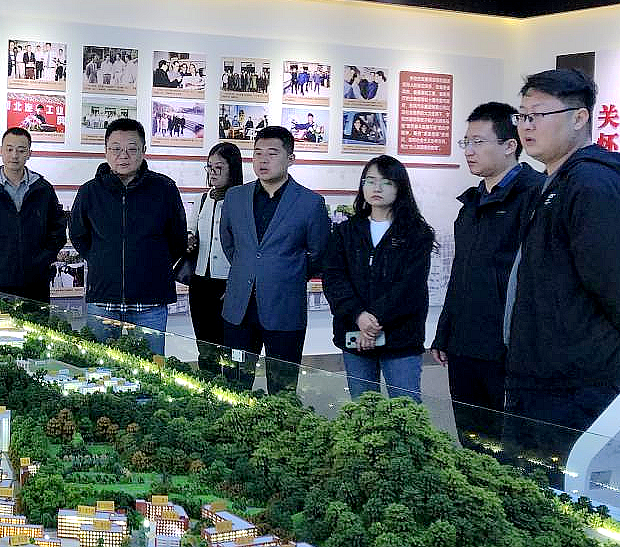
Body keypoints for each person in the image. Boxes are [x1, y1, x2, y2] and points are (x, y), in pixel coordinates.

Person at [503, 68, 620, 480]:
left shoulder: (593, 184)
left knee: (566, 491)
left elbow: (610, 274)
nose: (527, 125)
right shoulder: (554, 182)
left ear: (579, 117)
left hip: (577, 379)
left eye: (538, 114)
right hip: (545, 371)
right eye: (522, 115)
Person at [430, 102, 544, 447]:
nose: (469, 151)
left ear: (510, 145)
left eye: (478, 142)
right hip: (464, 344)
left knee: (510, 444)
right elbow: (460, 273)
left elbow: (535, 279)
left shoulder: (534, 196)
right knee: (471, 439)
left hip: (507, 346)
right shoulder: (472, 205)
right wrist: (444, 331)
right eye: (466, 142)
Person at [220, 126, 330, 394]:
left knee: (282, 388)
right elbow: (229, 242)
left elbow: (319, 254)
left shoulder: (310, 203)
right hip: (239, 307)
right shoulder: (235, 197)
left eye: (272, 153)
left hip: (284, 307)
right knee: (233, 383)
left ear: (291, 159)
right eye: (258, 153)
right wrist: (251, 269)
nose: (263, 160)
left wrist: (284, 274)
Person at [70, 118, 187, 355]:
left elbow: (177, 240)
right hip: (103, 297)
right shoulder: (90, 191)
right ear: (106, 151)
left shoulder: (164, 189)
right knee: (99, 365)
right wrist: (102, 259)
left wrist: (154, 265)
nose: (123, 156)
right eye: (115, 149)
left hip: (150, 300)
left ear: (143, 150)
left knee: (151, 367)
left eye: (132, 149)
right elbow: (78, 235)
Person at [323, 155, 435, 402]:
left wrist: (373, 321)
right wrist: (359, 316)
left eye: (386, 182)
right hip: (354, 334)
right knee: (363, 410)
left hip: (400, 338)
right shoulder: (346, 231)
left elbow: (410, 287)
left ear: (400, 187)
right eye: (370, 181)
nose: (377, 188)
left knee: (405, 411)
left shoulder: (416, 233)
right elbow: (334, 279)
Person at [0, 127, 67, 303]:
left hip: (37, 284)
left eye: (21, 150)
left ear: (29, 153)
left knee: (37, 322)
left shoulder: (43, 189)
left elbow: (58, 229)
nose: (14, 155)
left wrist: (43, 259)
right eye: (9, 149)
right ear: (1, 151)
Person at [186, 142, 243, 376]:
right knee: (205, 343)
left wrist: (236, 284)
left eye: (219, 167)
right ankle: (207, 384)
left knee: (229, 346)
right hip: (200, 282)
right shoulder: (202, 199)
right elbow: (191, 228)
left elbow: (245, 247)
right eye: (209, 167)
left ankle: (229, 388)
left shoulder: (242, 200)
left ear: (233, 168)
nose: (212, 172)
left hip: (229, 283)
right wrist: (189, 238)